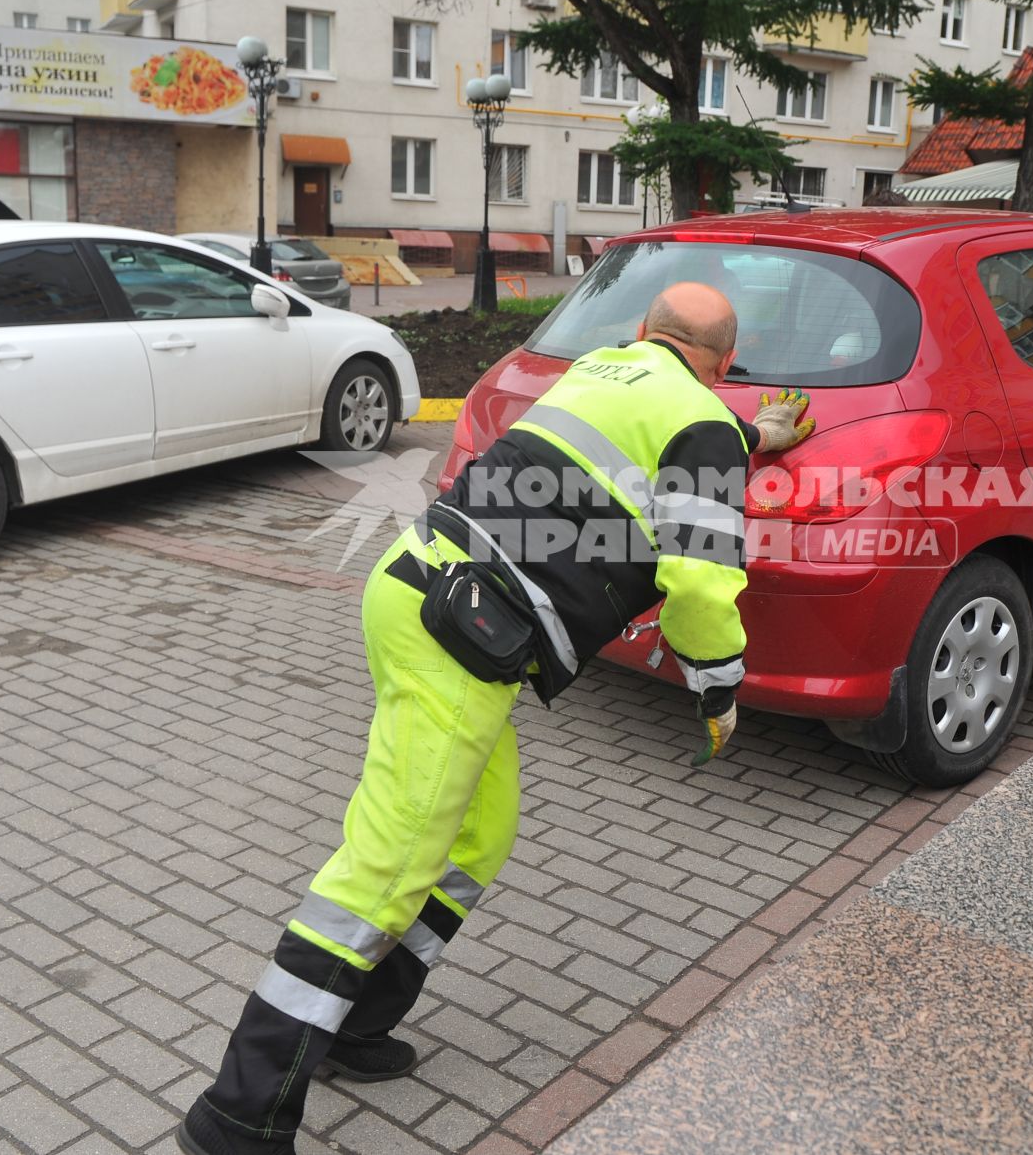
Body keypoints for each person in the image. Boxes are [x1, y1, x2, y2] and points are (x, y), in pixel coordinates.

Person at [175, 283, 817, 1155]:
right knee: (383, 871)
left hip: (420, 594)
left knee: (479, 836)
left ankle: (357, 1023)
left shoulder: (605, 370)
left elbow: (667, 436)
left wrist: (753, 438)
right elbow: (701, 580)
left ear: (643, 335)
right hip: (462, 640)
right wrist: (719, 687)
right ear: (725, 364)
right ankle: (239, 1113)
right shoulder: (698, 421)